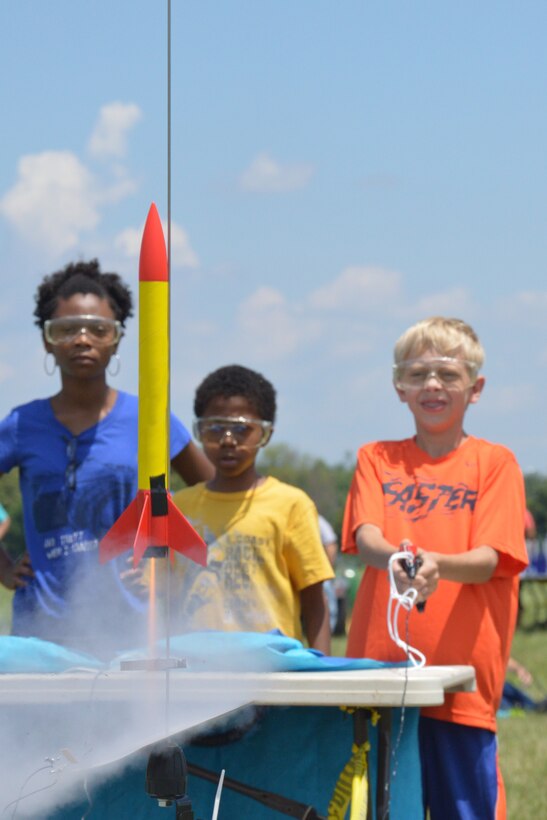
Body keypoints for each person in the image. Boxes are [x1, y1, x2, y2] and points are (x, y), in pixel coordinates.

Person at [341, 317, 528, 820]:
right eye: (418, 373)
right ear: (398, 387)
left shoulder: (496, 464)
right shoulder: (375, 458)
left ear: (476, 387)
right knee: (377, 810)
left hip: (460, 686)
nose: (432, 385)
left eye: (448, 373)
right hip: (380, 679)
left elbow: (492, 559)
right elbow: (367, 538)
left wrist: (436, 565)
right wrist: (399, 561)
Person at [0, 260, 213, 655]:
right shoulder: (21, 424)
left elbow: (213, 493)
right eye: (66, 330)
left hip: (130, 629)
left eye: (98, 330)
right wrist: (3, 566)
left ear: (117, 339)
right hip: (40, 635)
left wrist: (168, 568)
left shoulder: (149, 418)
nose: (83, 340)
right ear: (47, 340)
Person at [165, 364, 334, 653]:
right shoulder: (180, 507)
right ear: (199, 431)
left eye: (242, 429)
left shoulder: (291, 505)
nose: (228, 440)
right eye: (215, 428)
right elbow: (161, 596)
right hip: (195, 673)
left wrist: (323, 680)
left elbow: (315, 603)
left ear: (265, 433)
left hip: (274, 671)